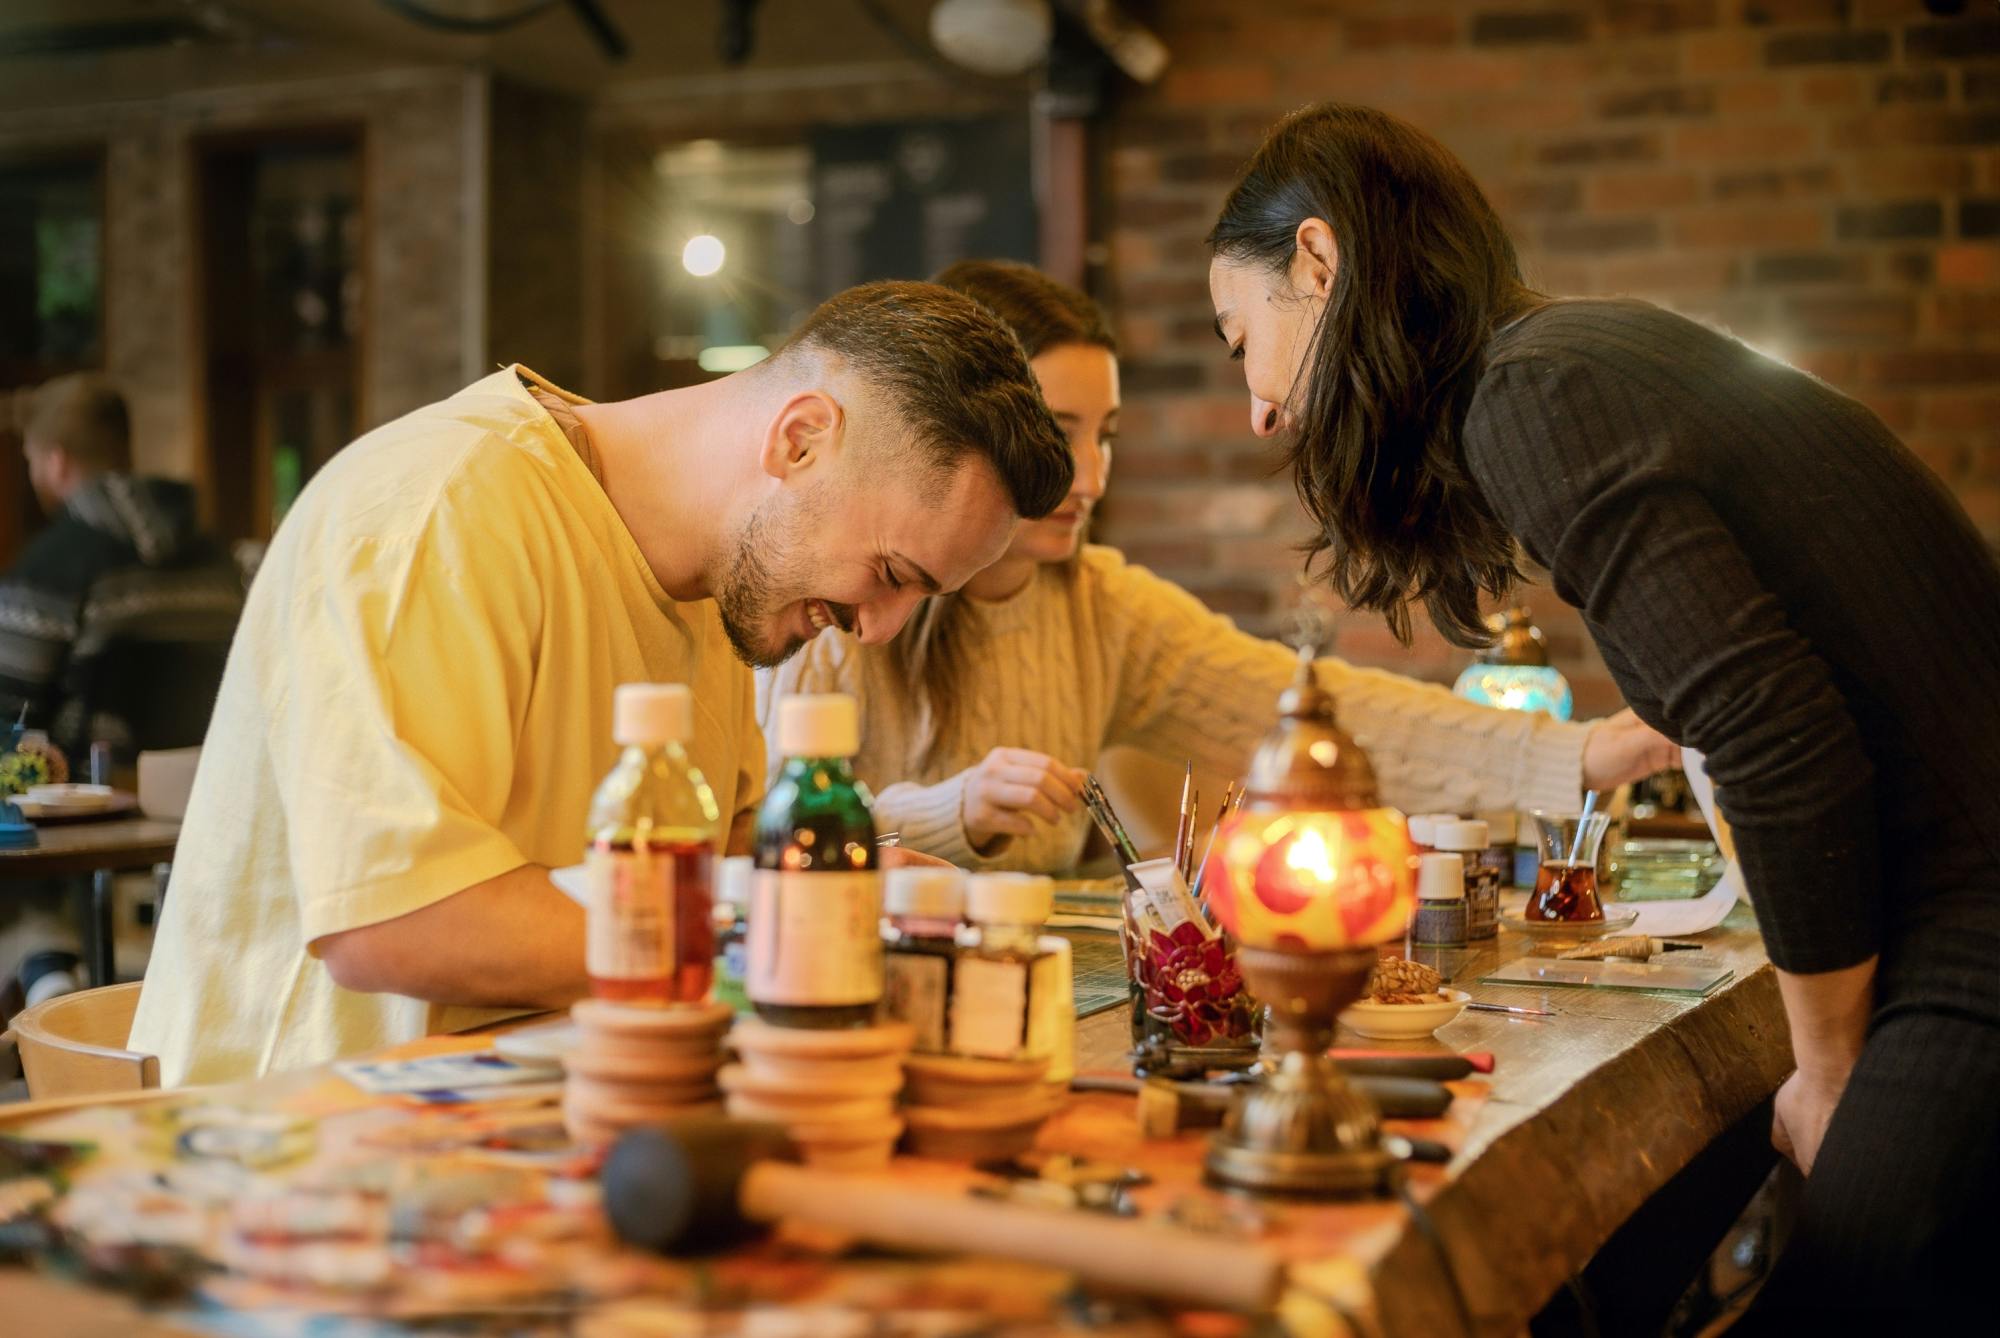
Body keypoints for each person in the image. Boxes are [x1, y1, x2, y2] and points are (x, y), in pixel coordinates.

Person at [1205, 102, 2000, 1323]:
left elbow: (1776, 747)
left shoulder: (1534, 391)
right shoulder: (1569, 363)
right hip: (1947, 888)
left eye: (1238, 336)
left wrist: (1827, 1073)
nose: (1257, 408)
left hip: (1972, 905)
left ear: (1317, 264)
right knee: (1625, 1260)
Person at [128, 281, 1072, 1086]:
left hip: (550, 1120)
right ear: (799, 440)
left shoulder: (720, 589)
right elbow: (393, 921)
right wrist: (776, 945)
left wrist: (846, 878)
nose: (880, 629)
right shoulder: (444, 507)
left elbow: (718, 846)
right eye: (895, 573)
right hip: (293, 1155)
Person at [763, 260, 1676, 870]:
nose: (1086, 476)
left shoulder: (1103, 607)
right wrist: (948, 812)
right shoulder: (847, 593)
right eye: (1053, 432)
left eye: (1105, 435)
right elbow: (757, 845)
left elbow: (1328, 713)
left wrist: (1585, 752)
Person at [0, 373, 242, 755]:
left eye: (31, 459)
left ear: (56, 461)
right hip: (207, 798)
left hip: (94, 802)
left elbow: (9, 708)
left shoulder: (51, 566)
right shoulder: (216, 558)